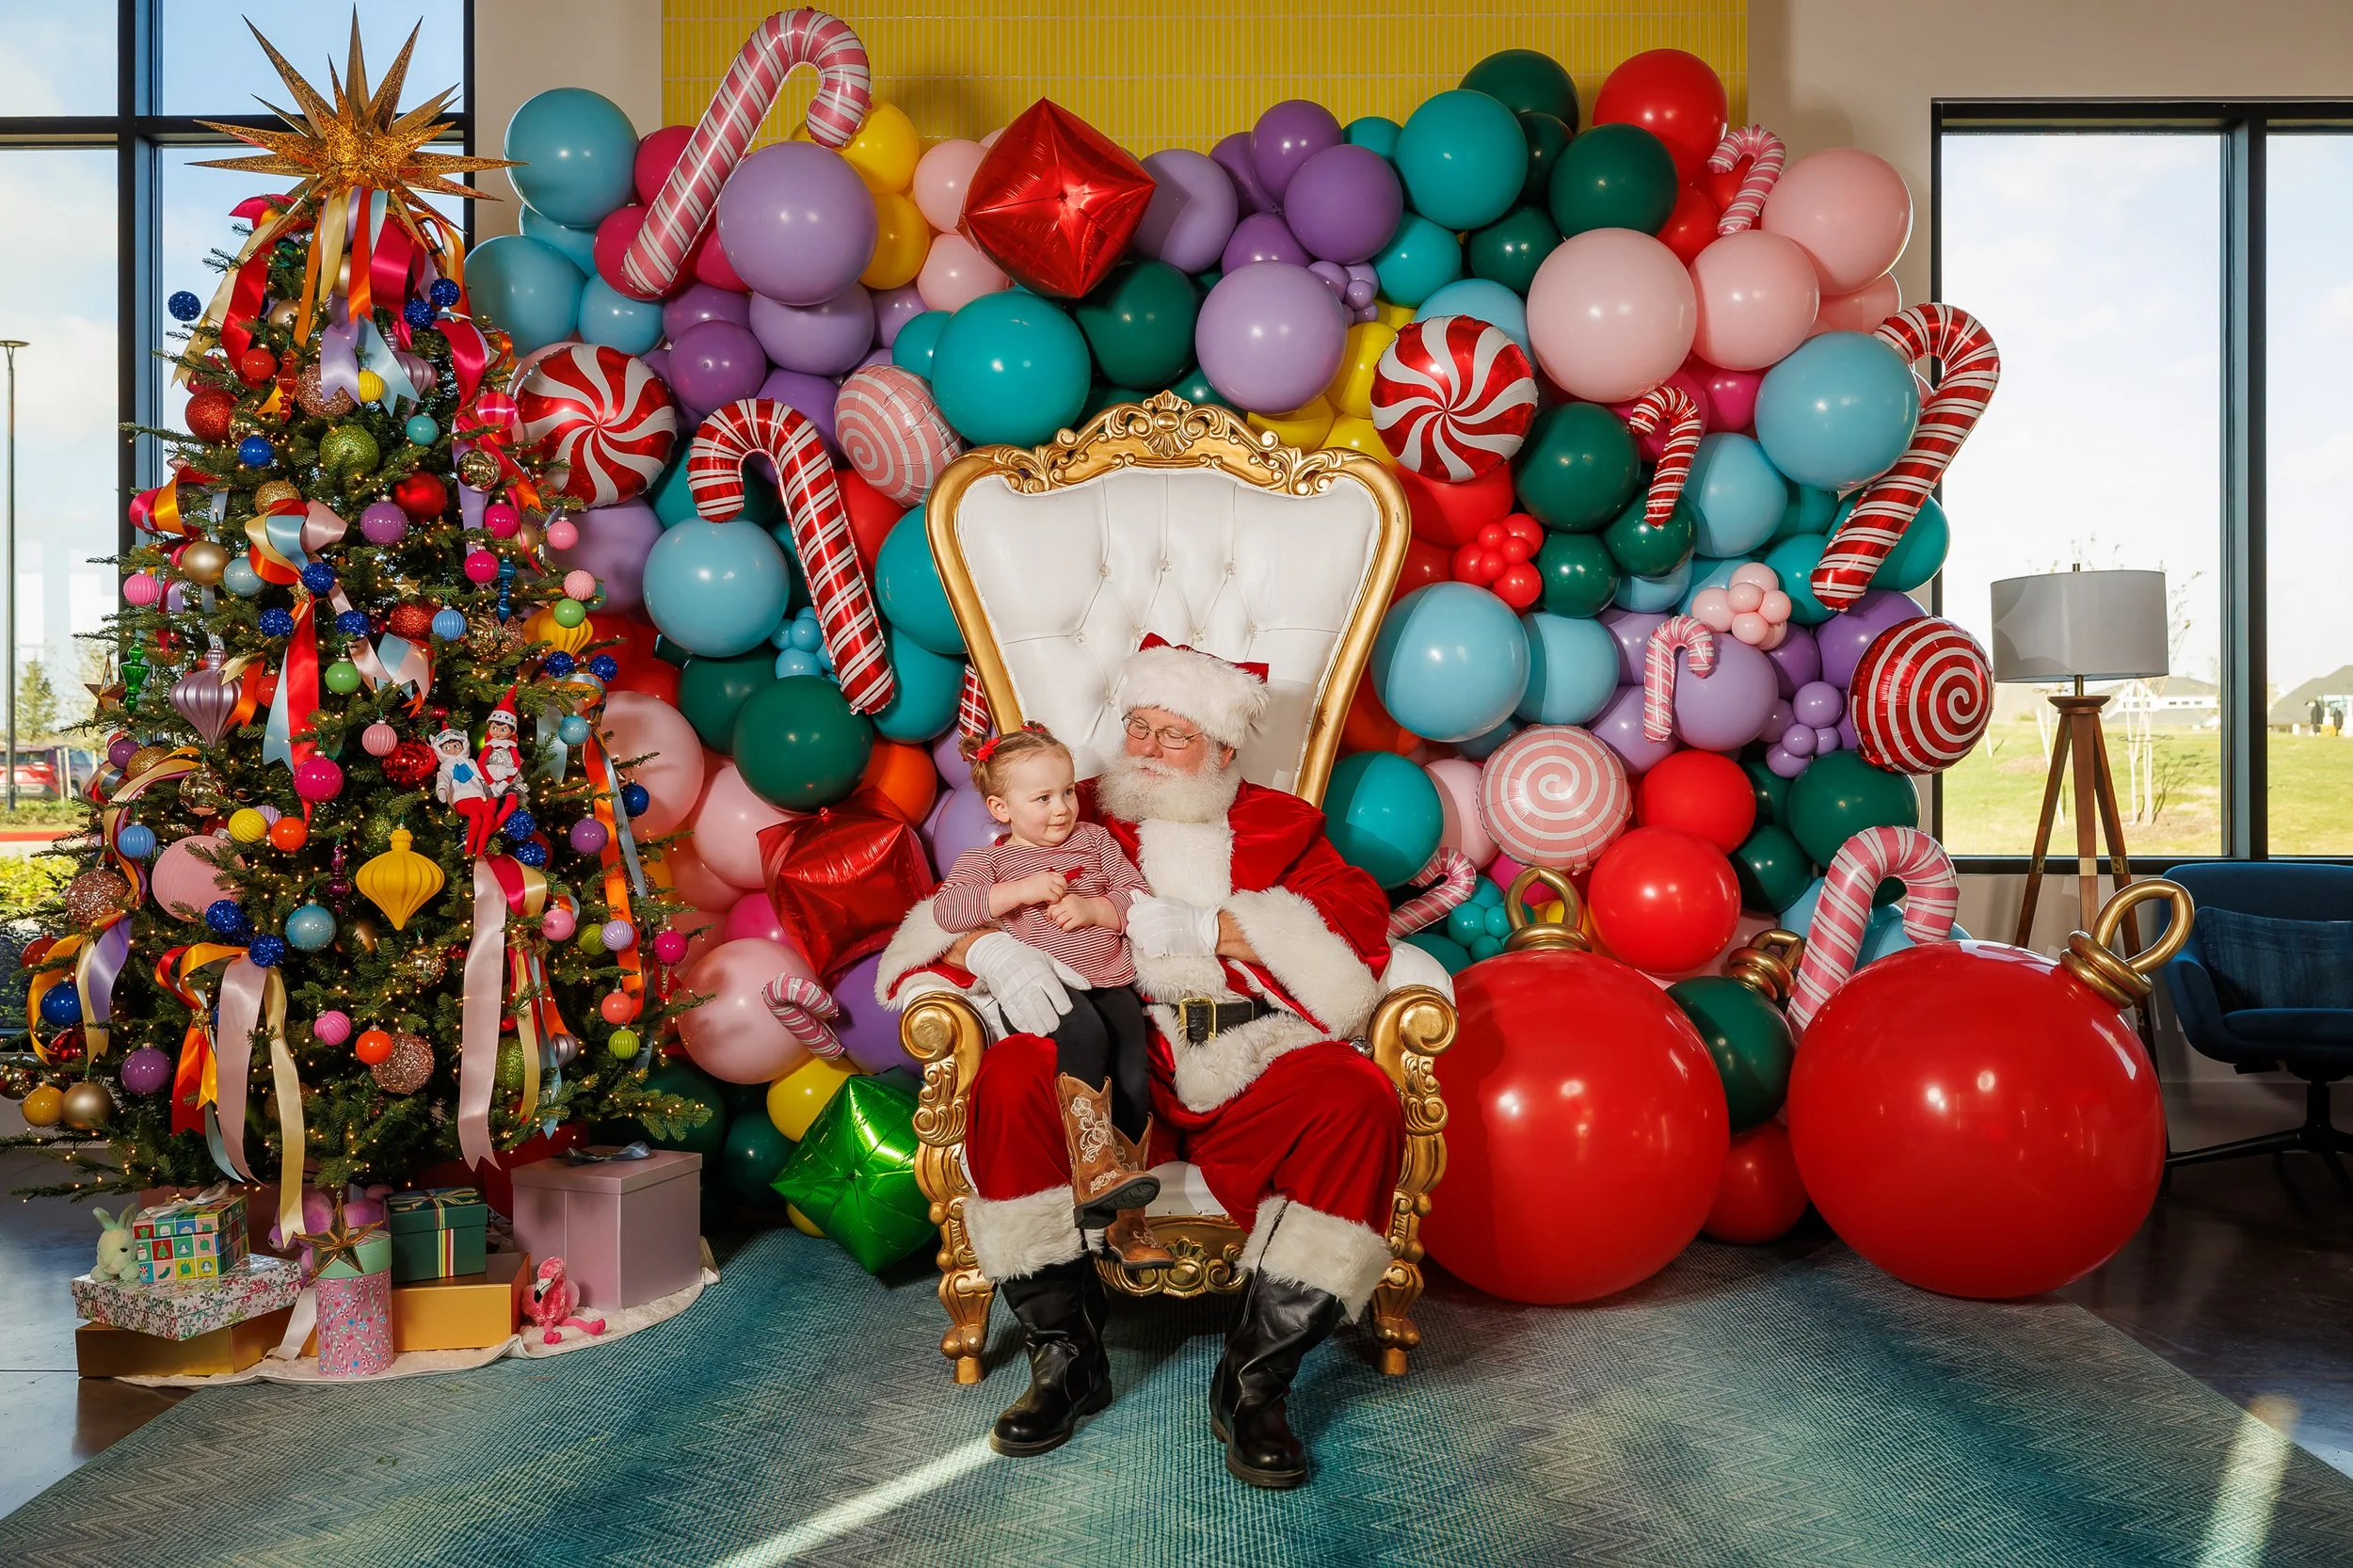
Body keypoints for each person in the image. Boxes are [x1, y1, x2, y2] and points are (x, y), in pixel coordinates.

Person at [879, 638, 1404, 1489]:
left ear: (1224, 750)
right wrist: (986, 953)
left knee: (1358, 1094)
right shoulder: (1069, 810)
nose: (1147, 751)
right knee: (1012, 1073)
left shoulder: (1282, 824)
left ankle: (1254, 1384)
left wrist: (1213, 930)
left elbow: (1352, 929)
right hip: (1111, 1048)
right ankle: (1067, 1359)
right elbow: (951, 905)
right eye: (1138, 728)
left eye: (1174, 734)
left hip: (1242, 1048)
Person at [927, 722, 1173, 1272]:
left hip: (1110, 976)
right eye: (1042, 798)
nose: (1061, 808)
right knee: (1082, 1035)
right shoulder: (988, 862)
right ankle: (1093, 1169)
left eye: (1066, 791)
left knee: (1133, 1075)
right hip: (1049, 983)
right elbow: (946, 915)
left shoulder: (1094, 842)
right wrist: (1016, 893)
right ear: (1002, 807)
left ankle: (1129, 1217)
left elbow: (1139, 899)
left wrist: (1096, 910)